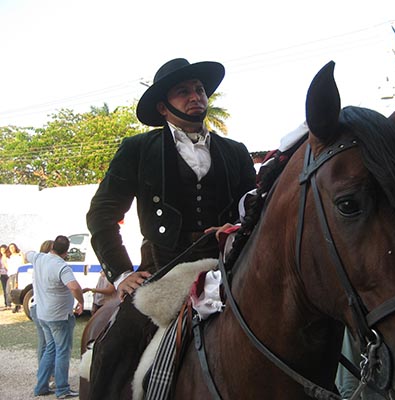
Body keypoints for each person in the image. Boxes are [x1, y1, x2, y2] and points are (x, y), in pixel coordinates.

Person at [86, 57, 256, 399]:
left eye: (199, 89)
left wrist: (237, 227)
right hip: (162, 271)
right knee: (115, 345)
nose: (196, 96)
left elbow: (253, 211)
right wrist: (121, 273)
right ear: (163, 107)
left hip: (227, 267)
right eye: (184, 91)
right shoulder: (137, 150)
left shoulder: (235, 153)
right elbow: (101, 214)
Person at [28, 235, 84, 399]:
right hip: (59, 316)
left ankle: (41, 386)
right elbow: (73, 286)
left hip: (43, 314)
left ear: (52, 246)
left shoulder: (39, 258)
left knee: (50, 350)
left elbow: (28, 254)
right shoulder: (62, 266)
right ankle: (62, 389)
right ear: (66, 252)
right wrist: (80, 301)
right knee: (62, 352)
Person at [6, 242, 26, 313]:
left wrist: (22, 255)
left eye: (13, 247)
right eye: (10, 247)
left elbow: (23, 263)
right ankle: (14, 305)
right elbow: (7, 266)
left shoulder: (19, 255)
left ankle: (18, 306)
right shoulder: (8, 257)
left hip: (18, 273)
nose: (12, 249)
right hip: (11, 274)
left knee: (17, 290)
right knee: (10, 290)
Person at [0, 244, 10, 308]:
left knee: (9, 289)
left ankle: (9, 303)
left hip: (9, 274)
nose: (2, 251)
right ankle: (6, 303)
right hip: (2, 274)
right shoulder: (0, 258)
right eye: (1, 250)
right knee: (4, 289)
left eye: (4, 249)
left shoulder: (8, 257)